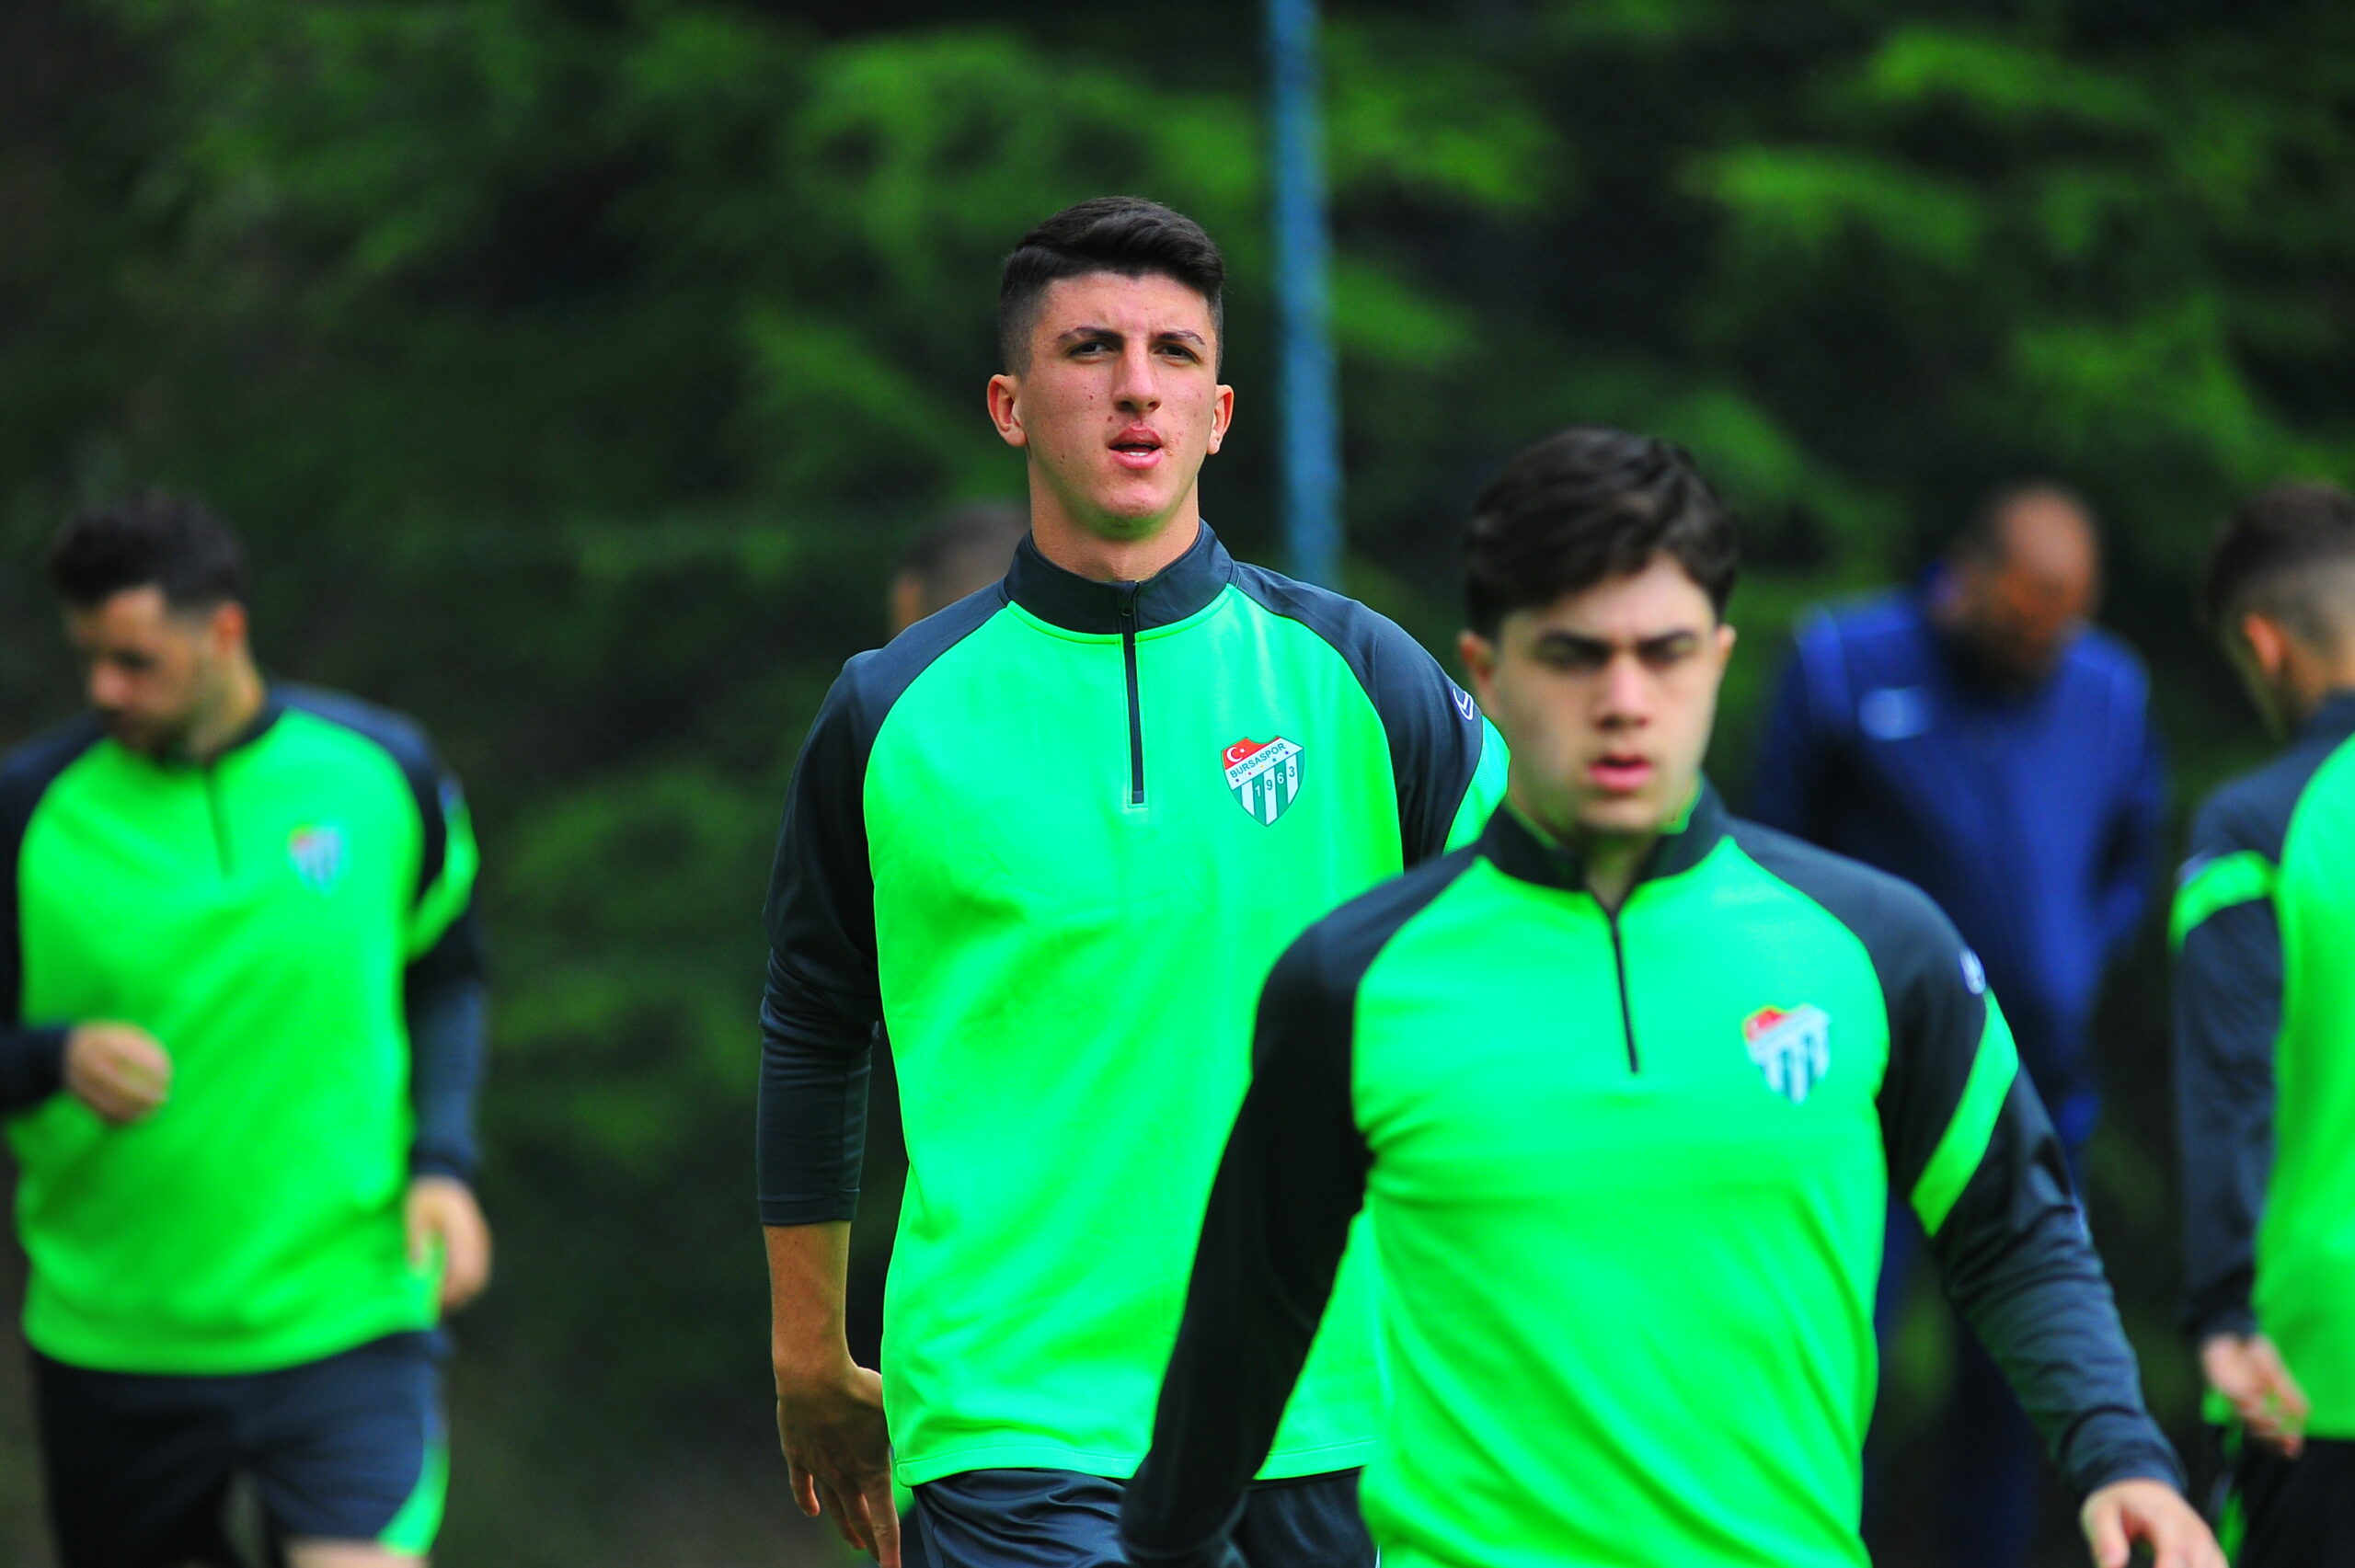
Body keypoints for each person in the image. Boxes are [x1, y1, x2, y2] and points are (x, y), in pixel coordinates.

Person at [1120, 427, 2219, 1568]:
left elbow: (2015, 1228)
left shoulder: (1880, 950)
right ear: (1487, 671)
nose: (1624, 699)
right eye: (1574, 655)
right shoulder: (1354, 980)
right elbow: (1249, 1315)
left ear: (1718, 659)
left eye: (1665, 652)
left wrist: (2121, 1456)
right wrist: (1165, 1547)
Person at [759, 196, 1505, 1568]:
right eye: (1090, 348)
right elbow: (814, 1023)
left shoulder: (1363, 681)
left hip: (1336, 1408)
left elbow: (1541, 946)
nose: (1135, 385)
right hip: (1019, 1415)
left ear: (1218, 414)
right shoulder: (888, 713)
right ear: (1009, 404)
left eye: (1174, 353)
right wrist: (809, 1349)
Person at [0, 494, 491, 1567]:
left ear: (223, 630)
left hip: (345, 1309)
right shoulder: (28, 810)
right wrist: (51, 1056)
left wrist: (443, 1163)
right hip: (116, 1337)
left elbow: (445, 976)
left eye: (134, 661)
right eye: (89, 659)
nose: (104, 688)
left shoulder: (380, 771)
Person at [1749, 480, 2166, 1565]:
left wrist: (2074, 957)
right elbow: (1764, 856)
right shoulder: (1840, 662)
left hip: (2033, 1091)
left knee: (2015, 1382)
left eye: (2062, 626)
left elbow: (2131, 848)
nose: (2042, 649)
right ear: (1965, 579)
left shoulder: (2109, 689)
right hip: (1862, 1098)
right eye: (2022, 621)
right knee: (1840, 1364)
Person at [2173, 480, 2355, 1565]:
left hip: (2313, 1365)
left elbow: (2230, 1082)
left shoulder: (2257, 827)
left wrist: (2221, 1312)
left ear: (2263, 645)